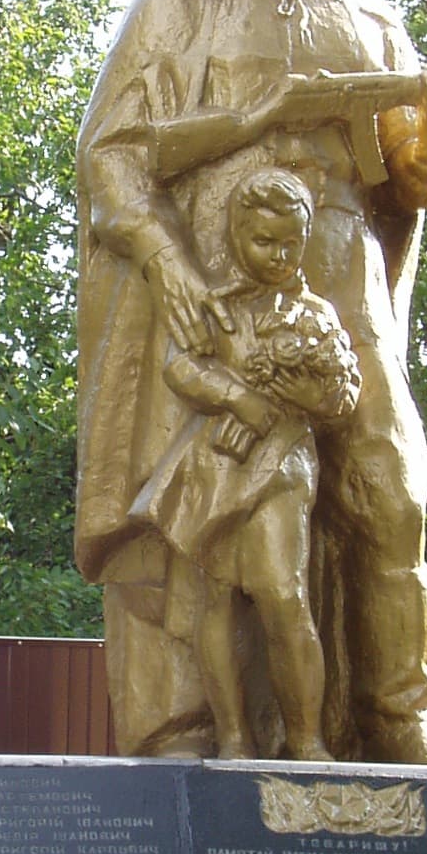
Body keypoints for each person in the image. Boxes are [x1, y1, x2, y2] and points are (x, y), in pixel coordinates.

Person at [75, 0, 427, 764]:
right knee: (197, 502)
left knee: (389, 482)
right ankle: (182, 726)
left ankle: (396, 715)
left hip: (339, 268)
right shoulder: (185, 2)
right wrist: (170, 265)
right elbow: (113, 156)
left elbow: (404, 183)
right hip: (213, 263)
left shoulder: (369, 18)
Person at [130, 165, 360, 760]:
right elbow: (181, 368)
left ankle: (306, 740)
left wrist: (293, 395)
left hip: (281, 463)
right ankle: (233, 736)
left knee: (284, 597)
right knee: (217, 599)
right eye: (264, 241)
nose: (279, 255)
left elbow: (342, 397)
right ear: (236, 237)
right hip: (218, 465)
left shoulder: (316, 316)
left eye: (291, 243)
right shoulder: (219, 307)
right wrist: (236, 395)